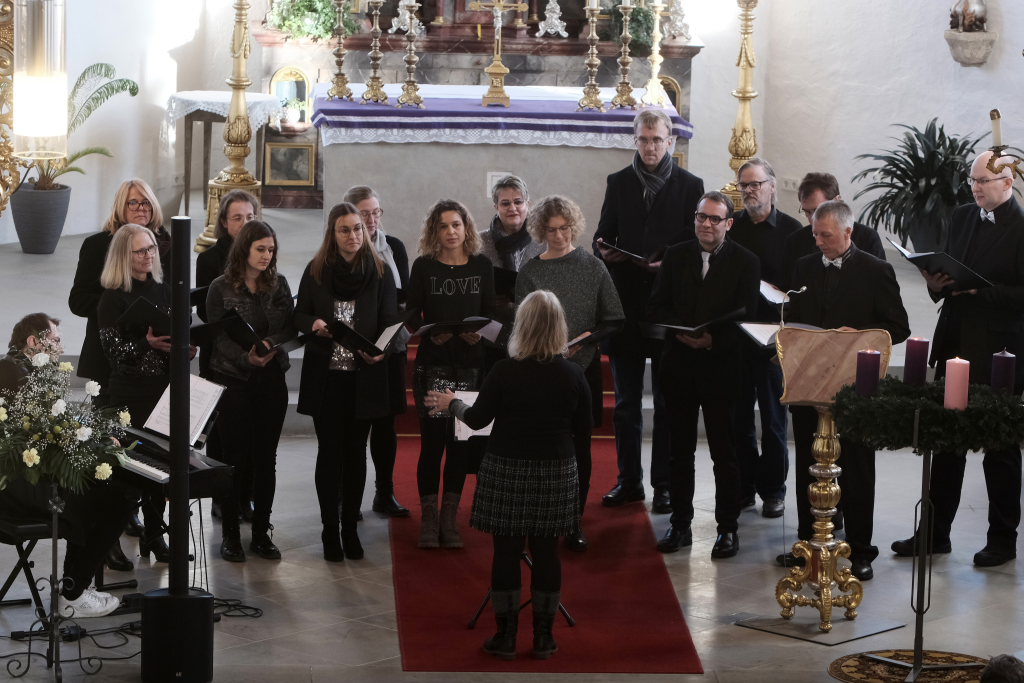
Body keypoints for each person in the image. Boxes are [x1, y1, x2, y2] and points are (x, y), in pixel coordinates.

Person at [426, 290, 591, 661]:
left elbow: (477, 420)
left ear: (522, 326)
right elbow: (585, 431)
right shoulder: (573, 374)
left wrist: (452, 403)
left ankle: (506, 636)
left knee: (506, 551)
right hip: (556, 470)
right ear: (559, 328)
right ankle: (544, 637)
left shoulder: (504, 371)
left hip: (507, 467)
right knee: (547, 552)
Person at [891, 150, 1024, 568]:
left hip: (999, 351)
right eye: (972, 180)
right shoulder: (964, 216)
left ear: (1008, 183)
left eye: (983, 181)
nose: (975, 188)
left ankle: (1002, 539)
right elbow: (950, 272)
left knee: (999, 446)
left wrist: (980, 292)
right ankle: (935, 534)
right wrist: (935, 281)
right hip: (955, 340)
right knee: (946, 441)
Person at [786, 200, 910, 581]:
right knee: (808, 464)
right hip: (810, 380)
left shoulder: (877, 271)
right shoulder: (803, 267)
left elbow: (898, 328)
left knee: (857, 467)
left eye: (825, 235)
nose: (818, 242)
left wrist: (856, 336)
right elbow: (793, 318)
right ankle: (808, 544)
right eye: (815, 235)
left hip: (856, 383)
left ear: (848, 232)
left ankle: (860, 549)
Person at [594, 109, 704, 516]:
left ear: (670, 141)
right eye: (644, 139)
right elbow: (603, 233)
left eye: (657, 139)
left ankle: (664, 485)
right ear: (635, 140)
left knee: (665, 402)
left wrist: (667, 262)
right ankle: (629, 480)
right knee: (625, 403)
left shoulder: (690, 185)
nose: (651, 147)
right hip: (625, 302)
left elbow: (695, 244)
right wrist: (603, 249)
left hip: (667, 305)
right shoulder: (619, 181)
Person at [648, 191, 760, 558]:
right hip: (679, 364)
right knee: (679, 452)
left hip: (721, 368)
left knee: (724, 453)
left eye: (714, 219)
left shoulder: (746, 261)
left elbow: (748, 317)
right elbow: (657, 305)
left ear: (729, 223)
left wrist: (714, 340)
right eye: (701, 217)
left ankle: (727, 529)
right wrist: (679, 330)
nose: (706, 224)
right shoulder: (676, 255)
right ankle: (680, 524)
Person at [0, 314, 135, 618]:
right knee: (118, 497)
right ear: (33, 341)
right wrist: (96, 441)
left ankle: (75, 586)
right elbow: (46, 430)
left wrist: (93, 435)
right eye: (56, 340)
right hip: (16, 492)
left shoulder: (19, 369)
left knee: (99, 490)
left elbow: (51, 426)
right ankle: (74, 593)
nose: (61, 348)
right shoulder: (11, 371)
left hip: (22, 484)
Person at [68, 178, 168, 568]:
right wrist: (121, 302)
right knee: (113, 455)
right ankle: (109, 535)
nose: (140, 208)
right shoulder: (98, 245)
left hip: (154, 372)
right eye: (133, 203)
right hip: (108, 363)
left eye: (146, 203)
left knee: (155, 457)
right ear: (119, 208)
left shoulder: (161, 244)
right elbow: (78, 300)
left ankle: (151, 530)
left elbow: (168, 293)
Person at [515, 195, 624, 551]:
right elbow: (521, 325)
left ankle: (573, 519)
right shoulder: (530, 271)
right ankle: (538, 515)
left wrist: (584, 342)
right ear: (540, 231)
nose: (559, 236)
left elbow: (614, 319)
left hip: (582, 368)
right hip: (539, 371)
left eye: (564, 229)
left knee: (580, 446)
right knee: (538, 446)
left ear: (573, 227)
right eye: (551, 230)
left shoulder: (592, 266)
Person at [295, 203, 398, 562]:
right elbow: (300, 313)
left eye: (358, 228)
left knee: (355, 454)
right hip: (327, 379)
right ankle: (329, 530)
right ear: (333, 233)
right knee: (329, 453)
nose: (353, 235)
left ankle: (350, 529)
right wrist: (313, 324)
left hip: (363, 377)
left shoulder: (380, 271)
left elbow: (390, 321)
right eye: (345, 229)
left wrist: (380, 351)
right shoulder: (316, 270)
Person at [97, 224, 191, 564]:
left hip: (163, 389)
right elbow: (113, 354)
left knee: (161, 466)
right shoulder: (112, 298)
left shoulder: (164, 291)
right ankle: (109, 541)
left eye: (151, 247)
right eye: (140, 250)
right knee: (127, 472)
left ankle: (155, 535)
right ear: (124, 255)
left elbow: (175, 335)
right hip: (129, 394)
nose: (149, 255)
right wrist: (145, 343)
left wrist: (185, 348)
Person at [407, 199, 495, 549]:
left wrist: (480, 333)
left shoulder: (481, 265)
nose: (450, 232)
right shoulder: (424, 266)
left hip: (471, 364)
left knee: (460, 442)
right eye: (443, 226)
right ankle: (429, 518)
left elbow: (489, 312)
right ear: (434, 231)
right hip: (435, 364)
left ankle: (449, 517)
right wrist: (429, 333)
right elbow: (412, 314)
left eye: (456, 224)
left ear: (466, 227)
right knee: (432, 443)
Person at [206, 221, 296, 562]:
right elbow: (217, 338)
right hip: (234, 380)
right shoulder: (220, 287)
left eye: (271, 250)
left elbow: (290, 326)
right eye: (260, 249)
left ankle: (261, 533)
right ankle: (230, 535)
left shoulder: (279, 284)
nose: (266, 256)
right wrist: (247, 357)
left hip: (271, 379)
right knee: (234, 459)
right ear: (244, 248)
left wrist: (271, 343)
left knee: (265, 459)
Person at [727, 158, 803, 520]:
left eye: (756, 184)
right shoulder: (731, 227)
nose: (749, 191)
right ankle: (743, 487)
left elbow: (800, 286)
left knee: (774, 419)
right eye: (744, 185)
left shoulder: (792, 231)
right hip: (738, 336)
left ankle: (773, 490)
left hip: (775, 338)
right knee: (739, 418)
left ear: (772, 186)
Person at [342, 185, 411, 518]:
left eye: (375, 212)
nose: (371, 220)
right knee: (354, 430)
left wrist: (387, 339)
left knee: (386, 427)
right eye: (364, 214)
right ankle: (349, 496)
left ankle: (385, 493)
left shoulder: (393, 247)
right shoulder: (343, 249)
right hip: (355, 349)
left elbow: (404, 299)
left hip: (390, 346)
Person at [196, 190, 259, 526]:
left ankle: (246, 495)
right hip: (219, 355)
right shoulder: (209, 259)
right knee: (220, 432)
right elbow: (209, 313)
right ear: (224, 222)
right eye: (238, 218)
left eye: (250, 217)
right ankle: (221, 497)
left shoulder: (262, 253)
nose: (245, 223)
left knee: (249, 433)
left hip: (252, 356)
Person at [782, 172, 886, 285]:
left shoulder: (868, 238)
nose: (812, 219)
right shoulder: (795, 240)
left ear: (837, 201)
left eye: (818, 210)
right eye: (807, 212)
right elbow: (787, 286)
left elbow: (879, 285)